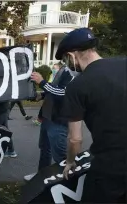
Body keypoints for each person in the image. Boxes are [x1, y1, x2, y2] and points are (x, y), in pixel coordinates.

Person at [57, 28, 127, 203]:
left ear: (72, 56)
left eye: (66, 59)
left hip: (110, 167)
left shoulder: (77, 86)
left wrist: (70, 161)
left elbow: (75, 139)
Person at [24, 61, 76, 181]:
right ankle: (41, 177)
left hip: (58, 120)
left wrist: (42, 82)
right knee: (45, 149)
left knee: (60, 156)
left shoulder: (74, 72)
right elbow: (55, 88)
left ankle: (67, 185)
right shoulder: (65, 68)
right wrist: (41, 95)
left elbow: (63, 93)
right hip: (47, 117)